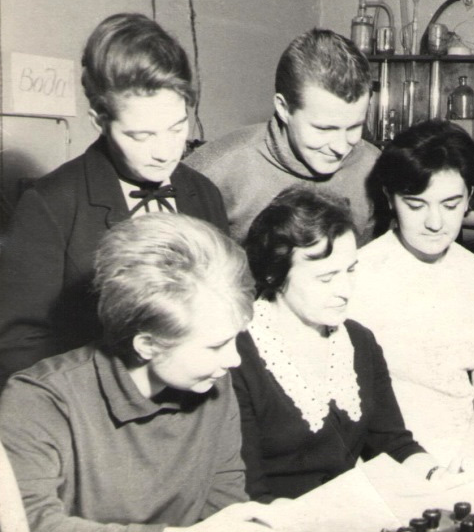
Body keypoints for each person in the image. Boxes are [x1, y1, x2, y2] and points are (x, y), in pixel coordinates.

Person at [0, 213, 276, 531]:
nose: (234, 360)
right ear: (147, 345)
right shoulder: (38, 400)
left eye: (235, 339)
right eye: (216, 346)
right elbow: (32, 524)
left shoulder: (211, 381)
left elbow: (223, 504)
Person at [0, 13, 228, 388]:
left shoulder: (203, 193)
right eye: (141, 135)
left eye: (177, 127)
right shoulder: (50, 204)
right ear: (99, 120)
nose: (165, 151)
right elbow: (18, 346)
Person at [234, 186, 446, 502]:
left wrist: (436, 474)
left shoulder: (359, 341)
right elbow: (246, 488)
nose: (345, 290)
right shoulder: (235, 354)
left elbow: (392, 443)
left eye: (350, 270)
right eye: (326, 277)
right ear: (274, 274)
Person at [350, 120, 474, 471]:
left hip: (471, 448)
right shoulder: (358, 273)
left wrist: (470, 463)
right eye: (416, 205)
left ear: (470, 196)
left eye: (450, 205)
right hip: (392, 457)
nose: (435, 223)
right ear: (390, 198)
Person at [185, 28, 379, 245]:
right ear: (284, 108)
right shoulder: (212, 171)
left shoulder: (375, 167)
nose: (341, 147)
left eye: (354, 127)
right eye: (324, 129)